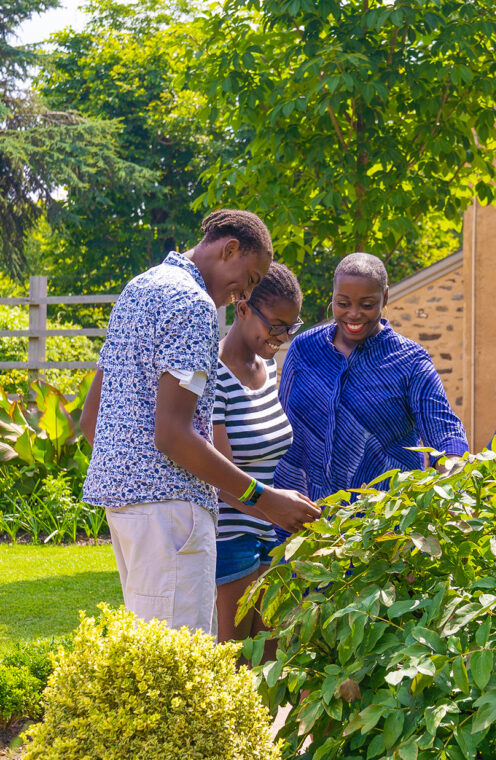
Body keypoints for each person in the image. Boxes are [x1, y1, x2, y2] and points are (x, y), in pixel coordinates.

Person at [79, 209, 319, 636]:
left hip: (125, 509)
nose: (244, 292)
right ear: (230, 249)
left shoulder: (141, 287)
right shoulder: (194, 305)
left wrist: (134, 480)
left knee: (153, 657)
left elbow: (92, 418)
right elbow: (173, 434)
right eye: (249, 277)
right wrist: (264, 499)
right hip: (173, 514)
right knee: (175, 670)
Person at [273, 252, 468, 530]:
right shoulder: (304, 349)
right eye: (342, 303)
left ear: (385, 297)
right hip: (308, 523)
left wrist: (451, 469)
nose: (353, 314)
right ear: (333, 295)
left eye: (367, 304)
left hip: (384, 531)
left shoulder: (410, 361)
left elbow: (442, 428)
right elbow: (284, 430)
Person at [212, 262, 303, 644]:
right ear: (243, 306)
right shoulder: (214, 375)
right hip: (230, 538)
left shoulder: (268, 366)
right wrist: (274, 506)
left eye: (290, 327)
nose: (281, 337)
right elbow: (218, 478)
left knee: (268, 662)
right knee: (231, 661)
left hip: (268, 530)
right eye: (276, 325)